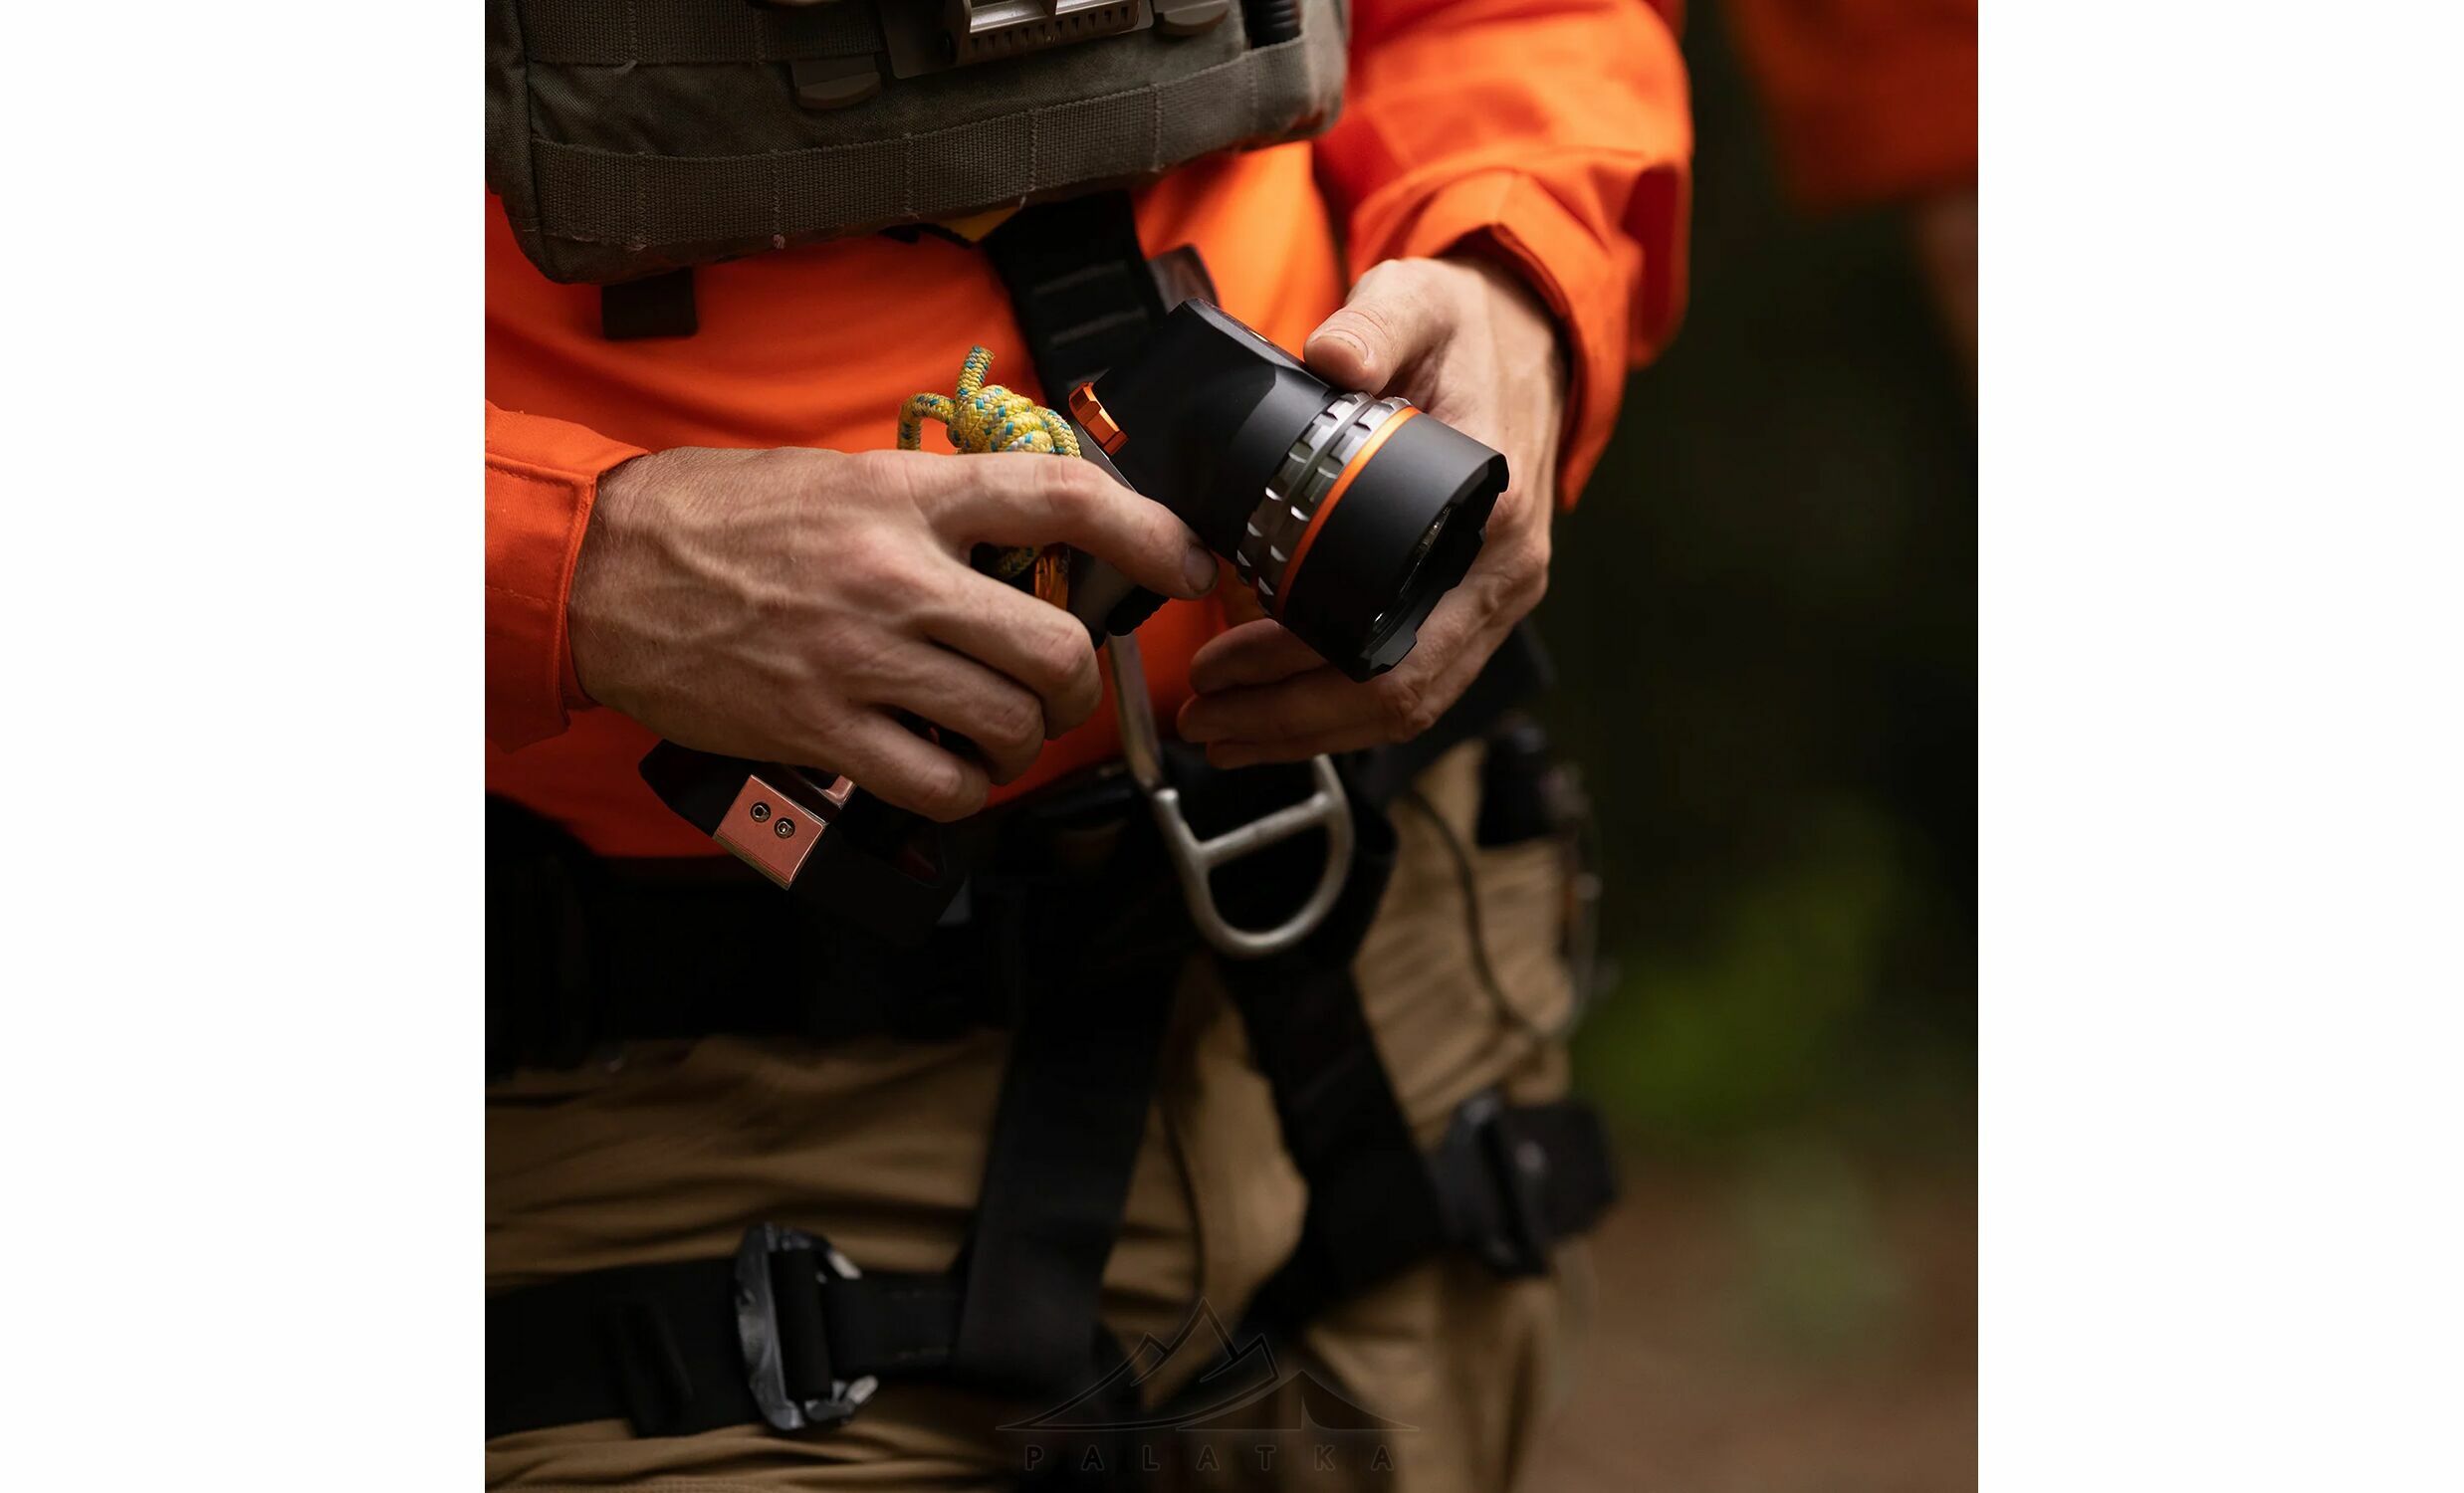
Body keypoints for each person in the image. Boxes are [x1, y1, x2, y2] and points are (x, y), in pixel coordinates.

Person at [485, 0, 1691, 1486]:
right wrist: (577, 565)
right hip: (679, 1108)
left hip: (1376, 980)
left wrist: (1513, 260)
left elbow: (1515, 25)